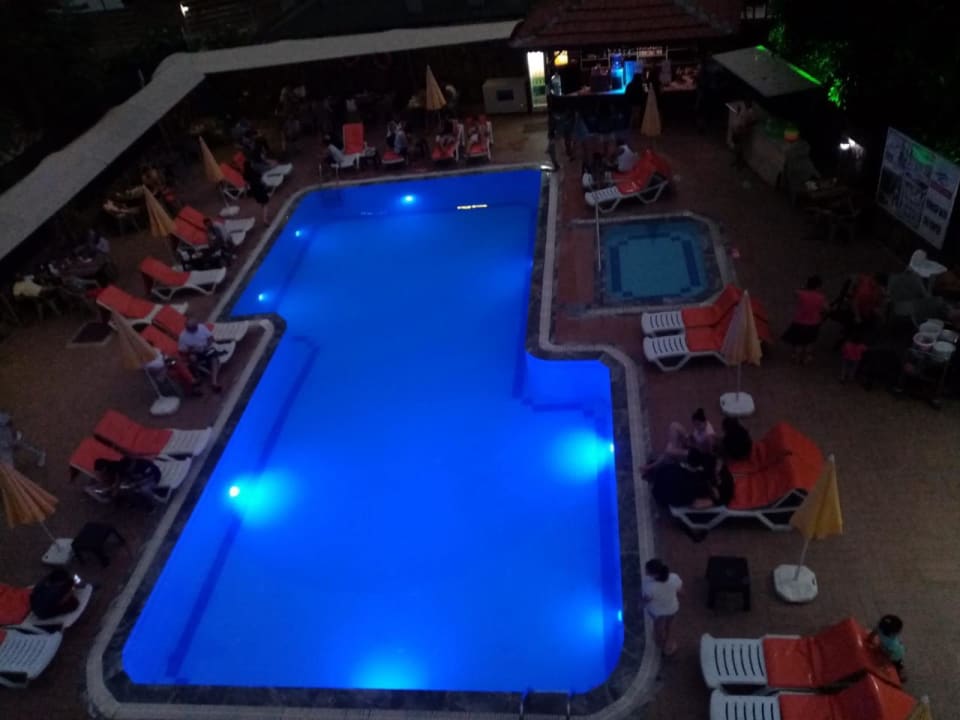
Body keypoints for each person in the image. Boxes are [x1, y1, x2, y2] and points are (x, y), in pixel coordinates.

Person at [782, 275, 828, 364]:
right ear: (818, 286)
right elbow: (827, 308)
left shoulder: (801, 294)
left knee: (799, 341)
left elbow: (795, 292)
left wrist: (804, 288)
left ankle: (797, 357)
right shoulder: (821, 297)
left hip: (799, 322)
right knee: (809, 341)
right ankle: (806, 358)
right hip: (813, 323)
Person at [641, 558, 682, 656]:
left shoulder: (649, 586)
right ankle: (669, 643)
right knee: (670, 625)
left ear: (654, 574)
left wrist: (640, 605)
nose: (645, 572)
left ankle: (661, 643)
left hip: (658, 612)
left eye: (647, 570)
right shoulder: (674, 577)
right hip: (673, 608)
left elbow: (646, 600)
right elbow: (680, 590)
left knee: (658, 628)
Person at [88, 456, 162, 504]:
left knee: (144, 489)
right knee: (128, 489)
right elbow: (119, 479)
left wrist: (137, 484)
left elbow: (151, 477)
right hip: (140, 479)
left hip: (153, 477)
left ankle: (153, 502)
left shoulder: (143, 465)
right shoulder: (123, 468)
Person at [178, 316, 223, 392]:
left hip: (206, 349)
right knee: (192, 358)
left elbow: (211, 338)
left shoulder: (201, 327)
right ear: (187, 328)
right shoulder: (183, 337)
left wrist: (207, 344)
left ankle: (214, 382)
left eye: (194, 327)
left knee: (214, 356)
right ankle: (198, 374)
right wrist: (192, 350)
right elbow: (182, 351)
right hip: (195, 353)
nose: (194, 329)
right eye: (191, 328)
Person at [868, 614, 906, 682]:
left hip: (893, 653)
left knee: (896, 662)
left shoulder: (880, 629)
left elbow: (888, 655)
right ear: (895, 633)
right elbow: (874, 633)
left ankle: (900, 669)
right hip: (890, 651)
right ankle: (899, 668)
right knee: (896, 660)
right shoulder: (891, 642)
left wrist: (883, 664)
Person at [731, 99, 758, 168]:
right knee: (736, 147)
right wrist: (738, 111)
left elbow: (754, 121)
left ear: (750, 102)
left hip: (741, 131)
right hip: (736, 130)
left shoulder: (751, 111)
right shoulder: (743, 108)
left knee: (739, 148)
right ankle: (736, 161)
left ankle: (739, 163)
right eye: (745, 101)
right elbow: (738, 117)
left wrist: (746, 125)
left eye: (747, 101)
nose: (745, 102)